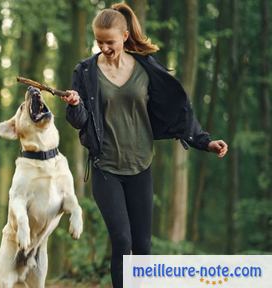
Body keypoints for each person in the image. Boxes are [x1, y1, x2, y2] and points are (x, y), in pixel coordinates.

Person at [62, 3, 228, 288]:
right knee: (122, 240)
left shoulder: (145, 68)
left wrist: (204, 141)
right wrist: (76, 104)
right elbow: (78, 121)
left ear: (125, 36)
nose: (104, 47)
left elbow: (179, 109)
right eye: (99, 41)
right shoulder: (86, 72)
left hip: (140, 167)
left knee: (142, 247)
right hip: (106, 168)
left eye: (110, 41)